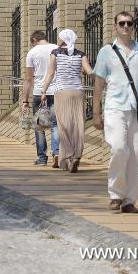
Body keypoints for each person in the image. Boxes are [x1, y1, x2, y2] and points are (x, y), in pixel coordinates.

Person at [93, 11, 138, 214]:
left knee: (136, 155)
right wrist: (96, 112)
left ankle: (130, 200)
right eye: (121, 23)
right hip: (114, 106)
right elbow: (98, 84)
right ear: (115, 25)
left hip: (136, 109)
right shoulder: (106, 52)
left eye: (129, 23)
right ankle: (115, 194)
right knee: (119, 148)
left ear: (133, 26)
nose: (125, 26)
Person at [41, 29, 93, 173]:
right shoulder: (80, 54)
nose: (58, 39)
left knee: (63, 126)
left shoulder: (55, 53)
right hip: (78, 92)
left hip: (61, 92)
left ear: (63, 39)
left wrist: (43, 91)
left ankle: (68, 154)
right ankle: (76, 156)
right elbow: (89, 72)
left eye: (59, 37)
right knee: (78, 125)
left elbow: (51, 73)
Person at [21, 29, 59, 167]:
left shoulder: (32, 52)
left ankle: (42, 158)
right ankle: (57, 152)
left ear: (35, 40)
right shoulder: (56, 48)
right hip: (55, 91)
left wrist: (25, 100)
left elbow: (28, 78)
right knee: (55, 124)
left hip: (39, 92)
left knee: (40, 126)